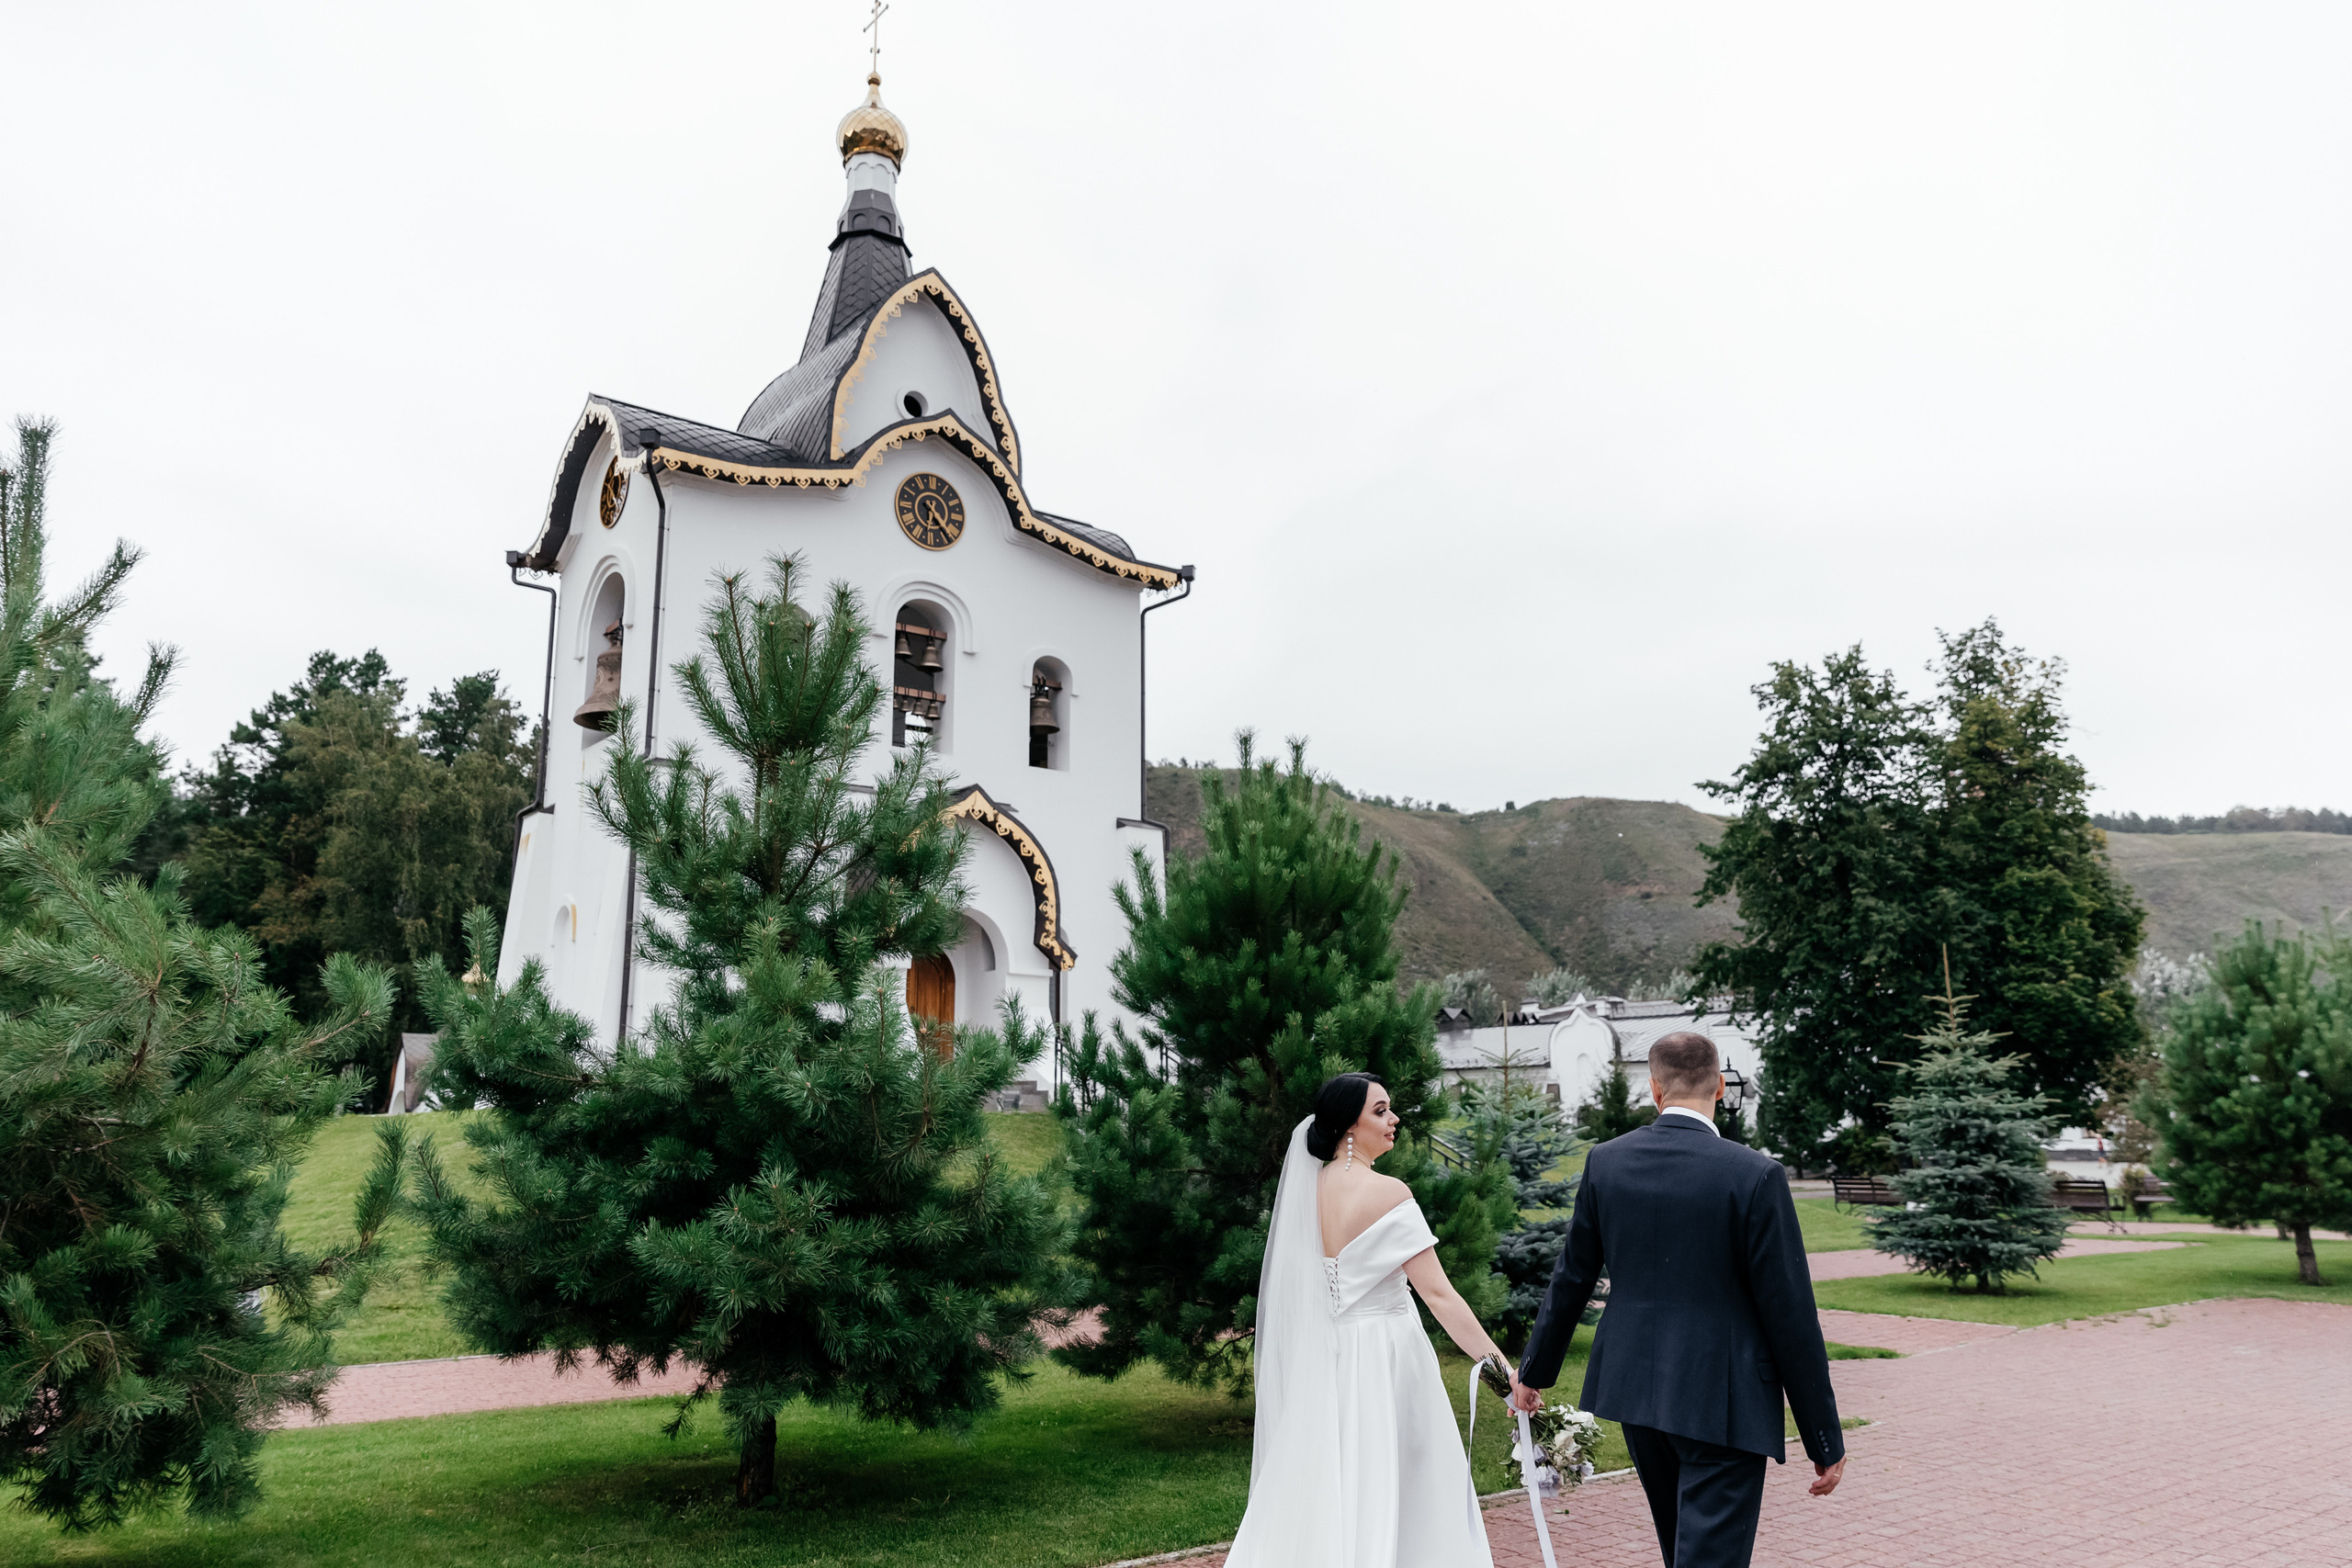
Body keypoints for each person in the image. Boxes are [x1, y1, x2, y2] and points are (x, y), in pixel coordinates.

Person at [1508, 1032, 1847, 1568]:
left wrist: (1534, 1372)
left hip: (1638, 1395)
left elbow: (1572, 1276)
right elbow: (1791, 1315)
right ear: (1717, 1086)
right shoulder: (1755, 1175)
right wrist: (1823, 1439)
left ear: (1654, 1089)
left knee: (1683, 1553)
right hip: (1726, 1401)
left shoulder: (1606, 1163)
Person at [1225, 1071, 1506, 1568]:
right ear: (1347, 1126)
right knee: (1407, 1484)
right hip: (1389, 1356)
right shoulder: (1389, 1193)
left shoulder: (1307, 1193)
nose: (1394, 1119)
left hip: (1329, 1359)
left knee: (1332, 1483)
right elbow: (1440, 1296)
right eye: (1380, 1111)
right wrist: (1504, 1374)